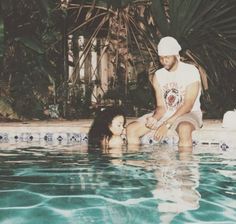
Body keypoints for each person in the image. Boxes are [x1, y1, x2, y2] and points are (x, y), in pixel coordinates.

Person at [126, 36, 203, 147]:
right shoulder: (158, 75)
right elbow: (161, 107)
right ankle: (139, 162)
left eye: (167, 57)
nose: (163, 61)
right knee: (131, 129)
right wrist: (155, 118)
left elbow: (188, 105)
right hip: (165, 115)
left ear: (176, 55)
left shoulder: (190, 71)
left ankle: (186, 164)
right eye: (161, 58)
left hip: (188, 113)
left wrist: (166, 124)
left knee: (184, 129)